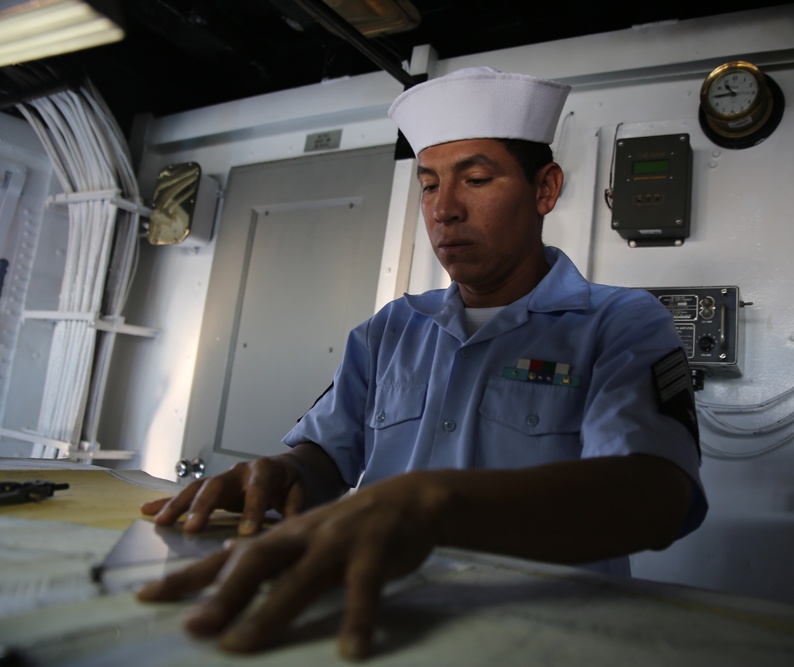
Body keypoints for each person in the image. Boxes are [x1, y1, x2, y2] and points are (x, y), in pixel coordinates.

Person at [137, 67, 707, 661]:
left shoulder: (619, 323)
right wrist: (286, 473)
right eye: (429, 186)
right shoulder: (392, 328)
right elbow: (328, 454)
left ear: (545, 189)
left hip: (547, 638)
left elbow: (655, 493)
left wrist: (436, 504)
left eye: (477, 179)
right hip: (385, 622)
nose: (445, 210)